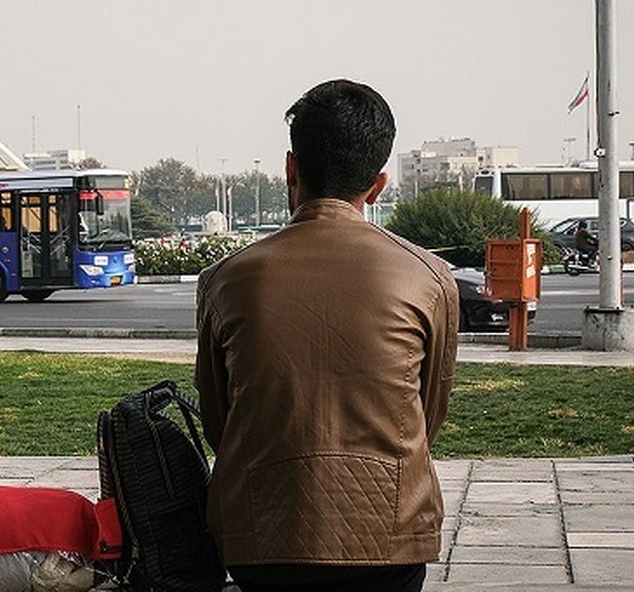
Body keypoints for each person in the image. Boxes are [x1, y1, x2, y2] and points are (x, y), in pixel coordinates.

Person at [195, 79, 459, 592]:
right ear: (378, 185)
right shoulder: (428, 277)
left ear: (290, 169)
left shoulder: (225, 279)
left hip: (261, 539)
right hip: (389, 538)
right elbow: (427, 417)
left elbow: (218, 420)